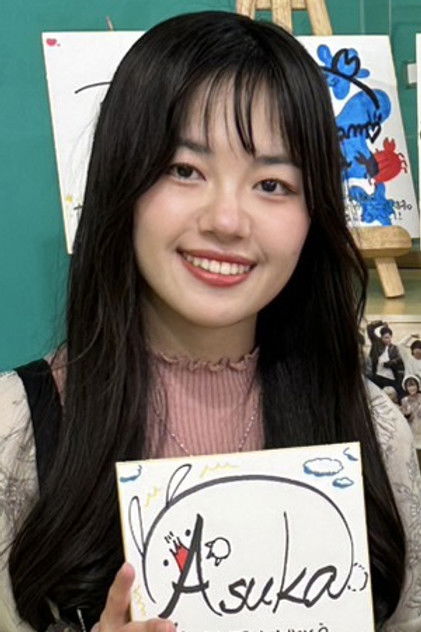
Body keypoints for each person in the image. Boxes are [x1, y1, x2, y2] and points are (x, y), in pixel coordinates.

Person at [0, 10, 420, 632]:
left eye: (273, 184)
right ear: (121, 184)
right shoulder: (15, 430)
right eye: (184, 170)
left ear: (314, 216)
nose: (227, 220)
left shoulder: (377, 431)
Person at [367, 320, 405, 399]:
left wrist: (391, 362)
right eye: (385, 338)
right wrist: (380, 323)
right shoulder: (377, 345)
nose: (387, 340)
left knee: (395, 395)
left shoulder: (394, 348)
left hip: (391, 377)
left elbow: (400, 358)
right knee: (377, 397)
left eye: (389, 337)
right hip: (378, 377)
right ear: (381, 337)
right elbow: (370, 328)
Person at [401, 375, 421, 447]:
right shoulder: (404, 400)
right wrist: (407, 415)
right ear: (406, 388)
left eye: (413, 385)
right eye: (409, 386)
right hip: (412, 430)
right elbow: (404, 419)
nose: (412, 388)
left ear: (417, 386)